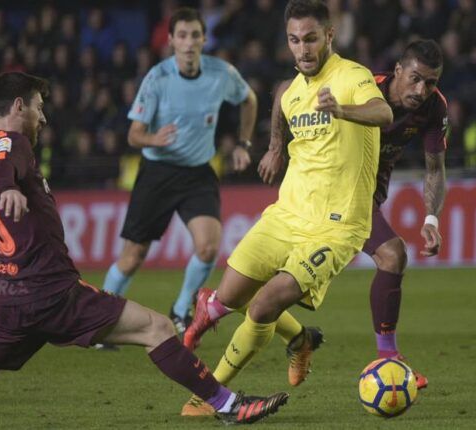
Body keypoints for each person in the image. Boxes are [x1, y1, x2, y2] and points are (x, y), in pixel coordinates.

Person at [0, 72, 287, 430]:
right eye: (38, 107)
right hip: (50, 289)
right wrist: (9, 189)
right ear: (17, 106)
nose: (43, 117)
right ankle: (227, 405)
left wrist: (5, 187)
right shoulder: (14, 144)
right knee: (157, 326)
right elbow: (4, 167)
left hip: (9, 294)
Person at [181, 0, 392, 415]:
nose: (303, 49)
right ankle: (300, 340)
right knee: (232, 294)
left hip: (337, 226)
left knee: (262, 305)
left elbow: (383, 113)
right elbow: (281, 102)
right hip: (285, 215)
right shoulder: (292, 91)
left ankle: (208, 396)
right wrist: (276, 148)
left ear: (329, 36)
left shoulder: (352, 77)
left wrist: (342, 111)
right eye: (295, 40)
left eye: (311, 38)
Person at [100, 7, 257, 336]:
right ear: (171, 40)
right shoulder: (158, 78)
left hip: (198, 172)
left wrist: (243, 143)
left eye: (195, 35)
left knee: (209, 248)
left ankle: (181, 309)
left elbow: (249, 99)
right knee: (133, 256)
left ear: (204, 38)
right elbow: (133, 134)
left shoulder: (221, 74)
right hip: (157, 172)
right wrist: (153, 138)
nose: (188, 43)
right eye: (182, 36)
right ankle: (100, 318)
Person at [362, 39, 449, 389]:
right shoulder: (364, 88)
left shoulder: (433, 108)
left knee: (291, 284)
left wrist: (431, 219)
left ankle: (212, 307)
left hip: (368, 197)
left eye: (430, 82)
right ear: (397, 70)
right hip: (331, 192)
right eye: (415, 78)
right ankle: (388, 358)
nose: (421, 89)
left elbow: (435, 168)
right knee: (393, 254)